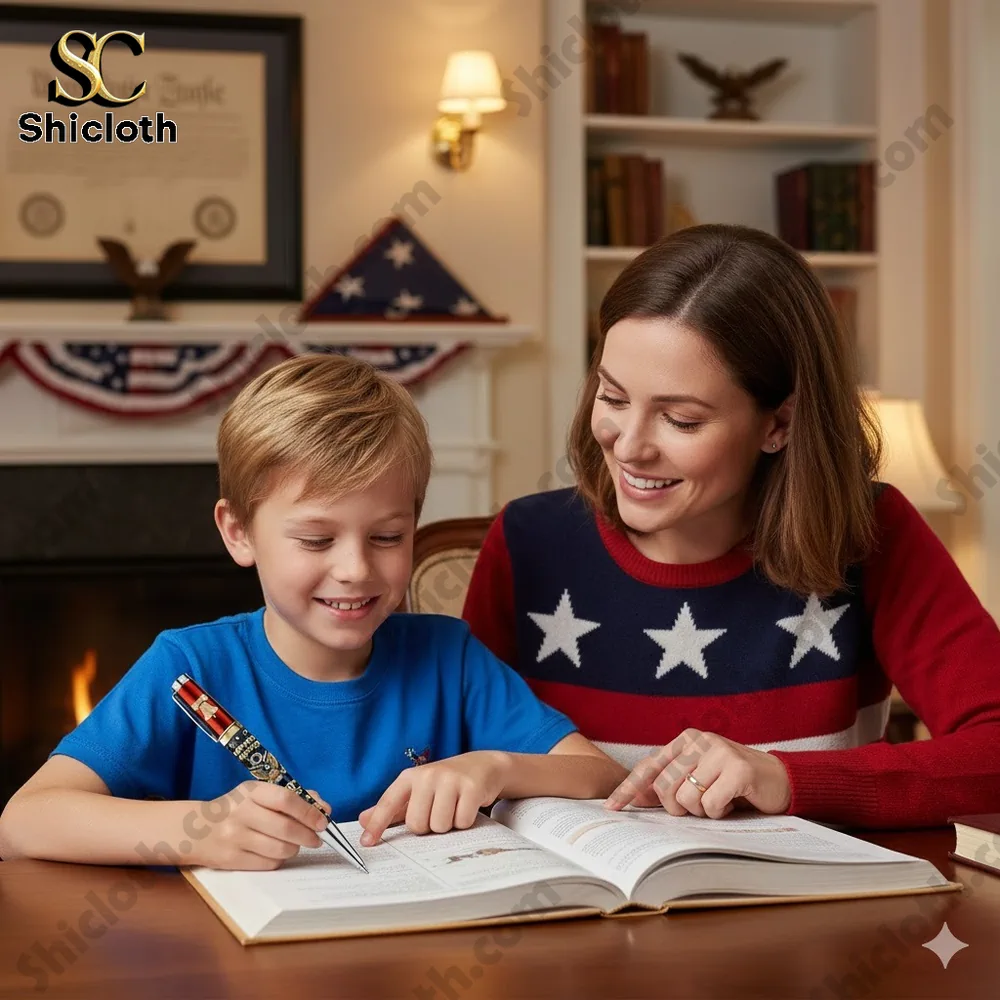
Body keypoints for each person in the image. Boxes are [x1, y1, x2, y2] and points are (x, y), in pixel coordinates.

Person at [462, 223, 1000, 830]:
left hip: (821, 918)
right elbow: (441, 745)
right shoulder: (528, 541)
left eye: (681, 420)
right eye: (612, 398)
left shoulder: (872, 533)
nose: (630, 447)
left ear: (779, 424)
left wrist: (785, 778)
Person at [0, 354, 625, 870]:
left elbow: (595, 775)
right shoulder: (188, 667)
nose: (355, 569)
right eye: (317, 540)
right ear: (239, 532)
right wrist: (197, 831)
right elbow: (24, 820)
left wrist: (493, 767)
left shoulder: (448, 656)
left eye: (386, 537)